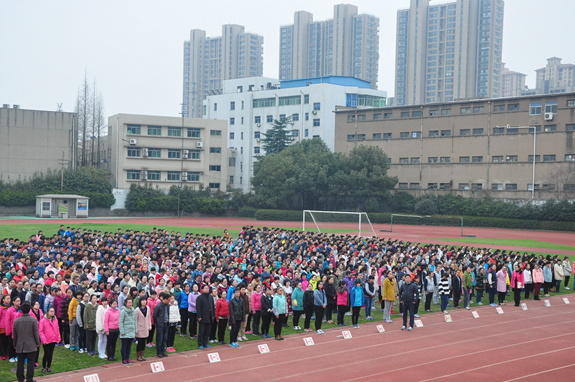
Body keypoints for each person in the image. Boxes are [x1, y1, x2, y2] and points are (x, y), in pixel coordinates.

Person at [13, 302, 41, 382]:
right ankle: (29, 379)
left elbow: (15, 335)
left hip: (20, 345)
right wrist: (37, 343)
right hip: (31, 345)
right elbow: (36, 333)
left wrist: (15, 344)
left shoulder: (17, 321)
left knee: (20, 363)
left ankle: (20, 379)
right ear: (29, 310)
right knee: (30, 362)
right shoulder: (33, 320)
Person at [39, 306, 60, 374]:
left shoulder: (55, 320)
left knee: (50, 354)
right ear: (47, 312)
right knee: (46, 353)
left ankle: (49, 367)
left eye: (53, 311)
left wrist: (58, 338)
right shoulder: (43, 321)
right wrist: (44, 340)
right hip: (46, 340)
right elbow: (41, 331)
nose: (52, 313)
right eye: (51, 311)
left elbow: (57, 329)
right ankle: (44, 367)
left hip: (53, 339)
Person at [196, 284, 215, 349]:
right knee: (201, 331)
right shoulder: (199, 298)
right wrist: (199, 316)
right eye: (206, 288)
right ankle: (200, 344)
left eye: (208, 288)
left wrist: (213, 315)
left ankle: (205, 343)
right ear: (202, 289)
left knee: (207, 331)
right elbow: (198, 308)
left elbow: (212, 306)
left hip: (209, 316)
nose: (207, 289)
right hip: (203, 317)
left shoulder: (210, 297)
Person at [119, 297, 136, 365]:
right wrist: (122, 332)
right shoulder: (123, 311)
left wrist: (135, 330)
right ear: (125, 303)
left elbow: (135, 321)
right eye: (129, 303)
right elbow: (120, 322)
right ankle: (123, 359)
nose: (130, 304)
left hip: (131, 331)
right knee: (124, 346)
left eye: (131, 302)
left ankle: (127, 358)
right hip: (125, 331)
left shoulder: (133, 311)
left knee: (129, 346)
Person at [153, 293, 170, 357]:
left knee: (164, 339)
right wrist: (157, 322)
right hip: (160, 325)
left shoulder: (168, 306)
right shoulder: (158, 306)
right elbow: (154, 315)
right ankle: (159, 352)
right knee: (159, 339)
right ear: (165, 299)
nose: (169, 301)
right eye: (168, 300)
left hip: (166, 324)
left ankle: (163, 351)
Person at [135, 296, 151, 361]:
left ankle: (142, 355)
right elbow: (135, 320)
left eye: (145, 300)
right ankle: (138, 356)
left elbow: (149, 317)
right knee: (140, 342)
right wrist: (135, 329)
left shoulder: (148, 308)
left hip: (146, 328)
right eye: (142, 300)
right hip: (139, 328)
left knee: (144, 342)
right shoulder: (137, 310)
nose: (144, 302)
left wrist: (149, 326)